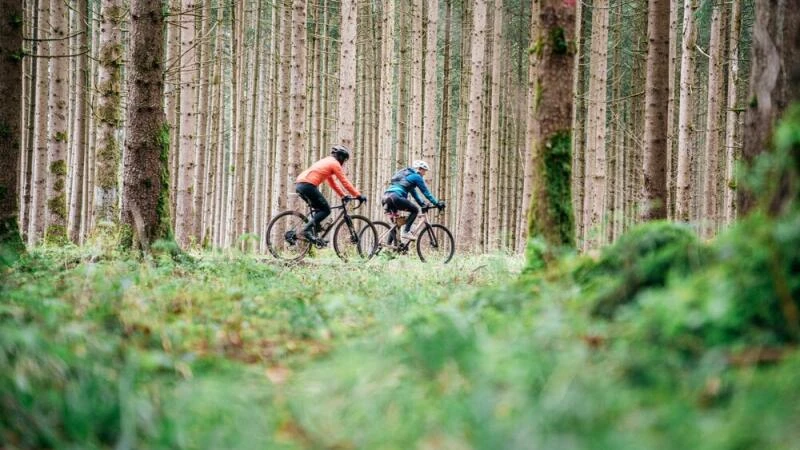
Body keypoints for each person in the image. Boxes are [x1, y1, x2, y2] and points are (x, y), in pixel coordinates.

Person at [295, 145, 366, 244]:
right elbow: (344, 181)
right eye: (344, 160)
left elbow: (332, 183)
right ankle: (306, 230)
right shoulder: (334, 163)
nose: (343, 163)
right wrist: (358, 195)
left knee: (319, 210)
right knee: (326, 210)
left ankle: (314, 236)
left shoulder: (327, 162)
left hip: (300, 184)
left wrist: (343, 195)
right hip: (308, 185)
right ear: (340, 157)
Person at [382, 160, 444, 241]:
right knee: (415, 210)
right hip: (395, 197)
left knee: (396, 224)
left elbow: (415, 195)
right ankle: (406, 232)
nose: (424, 173)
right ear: (420, 169)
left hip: (386, 198)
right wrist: (436, 203)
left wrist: (422, 204)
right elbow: (426, 192)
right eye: (424, 171)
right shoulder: (416, 177)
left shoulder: (408, 179)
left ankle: (389, 246)